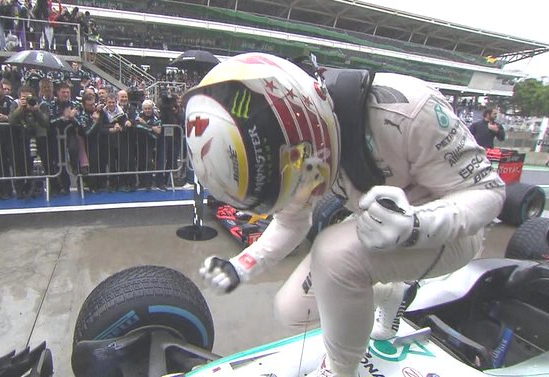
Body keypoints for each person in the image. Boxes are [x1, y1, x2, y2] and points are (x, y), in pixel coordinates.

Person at [188, 53, 505, 377]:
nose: (296, 179)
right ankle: (390, 292)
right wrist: (240, 267)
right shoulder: (300, 140)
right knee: (294, 310)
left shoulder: (410, 108)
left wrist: (416, 225)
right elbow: (291, 220)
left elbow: (490, 193)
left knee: (333, 253)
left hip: (453, 232)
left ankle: (341, 371)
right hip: (378, 226)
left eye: (290, 164)